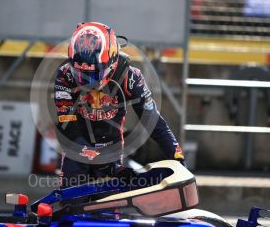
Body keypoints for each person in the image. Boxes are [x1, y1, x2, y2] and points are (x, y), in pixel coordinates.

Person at [53, 22, 185, 189]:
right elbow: (67, 126)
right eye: (79, 73)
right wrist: (95, 158)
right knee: (70, 203)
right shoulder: (64, 75)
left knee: (109, 207)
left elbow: (152, 120)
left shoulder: (130, 78)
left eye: (94, 73)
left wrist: (177, 156)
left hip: (111, 151)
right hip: (77, 149)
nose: (87, 82)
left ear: (112, 61)